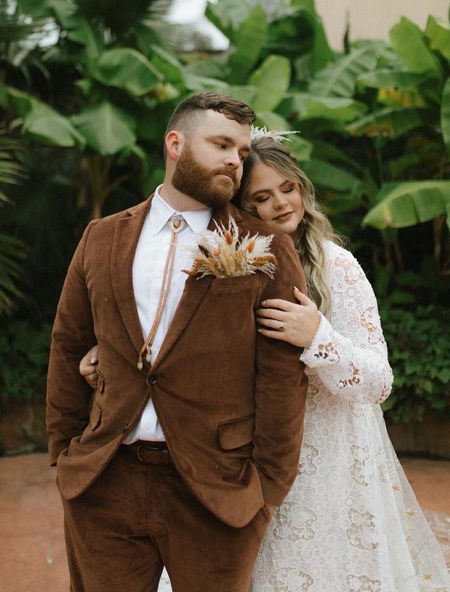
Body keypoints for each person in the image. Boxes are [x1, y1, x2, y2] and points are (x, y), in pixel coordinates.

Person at [81, 132, 450, 592]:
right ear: (241, 206)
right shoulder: (220, 261)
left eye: (288, 188)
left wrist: (318, 337)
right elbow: (179, 352)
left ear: (302, 186)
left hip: (327, 462)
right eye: (261, 197)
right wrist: (109, 358)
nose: (280, 204)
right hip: (244, 459)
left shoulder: (339, 267)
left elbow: (378, 383)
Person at [46, 93, 308, 592]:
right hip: (106, 480)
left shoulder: (266, 246)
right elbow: (67, 344)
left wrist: (265, 488)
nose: (235, 159)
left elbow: (281, 374)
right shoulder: (100, 237)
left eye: (241, 151)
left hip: (215, 488)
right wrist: (64, 451)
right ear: (175, 143)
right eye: (221, 144)